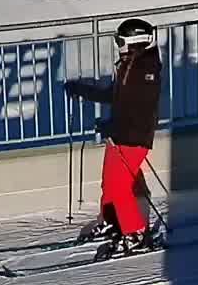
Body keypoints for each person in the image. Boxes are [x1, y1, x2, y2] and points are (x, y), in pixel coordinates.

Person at [63, 18, 164, 256]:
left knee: (120, 188)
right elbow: (116, 97)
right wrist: (83, 90)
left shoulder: (146, 70)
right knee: (109, 183)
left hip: (133, 137)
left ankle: (136, 233)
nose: (117, 45)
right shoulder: (130, 64)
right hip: (120, 134)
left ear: (135, 42)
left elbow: (139, 109)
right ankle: (112, 220)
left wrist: (114, 127)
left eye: (120, 40)